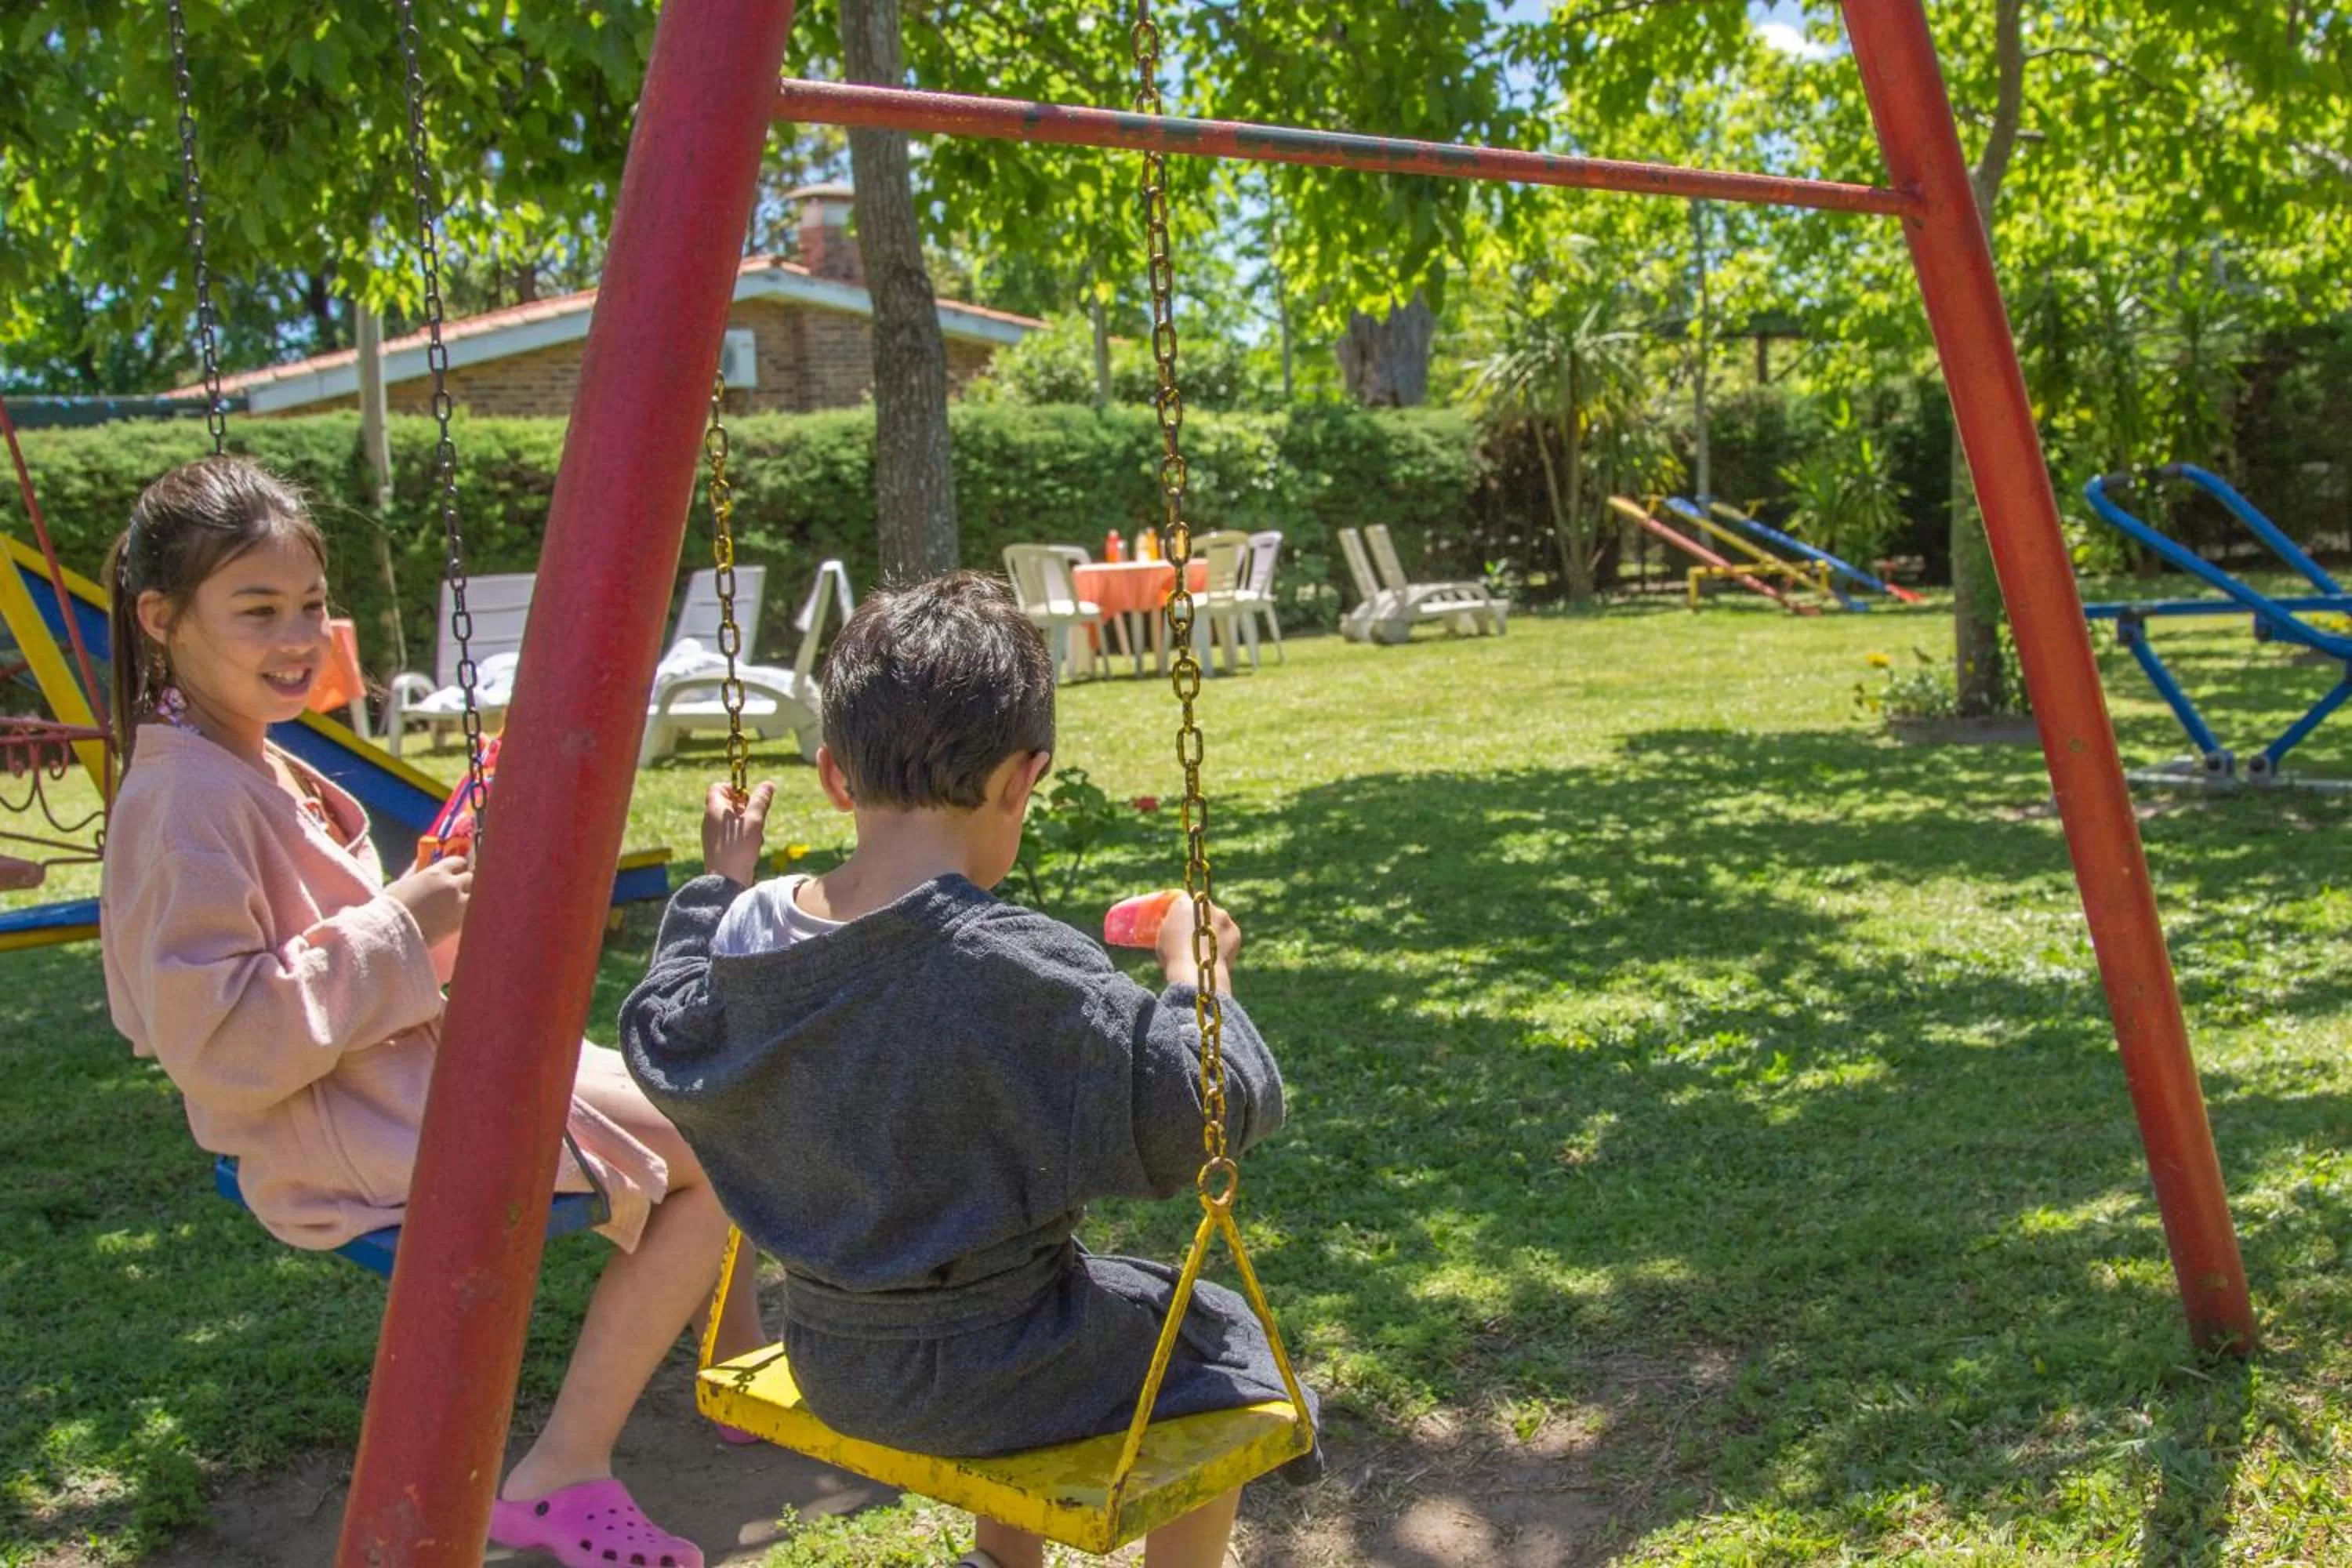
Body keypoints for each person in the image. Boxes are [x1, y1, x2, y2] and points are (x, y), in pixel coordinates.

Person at [97, 455, 762, 1568]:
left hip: (386, 1074)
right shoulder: (182, 799)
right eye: (257, 610)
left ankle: (727, 1366)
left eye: (310, 604)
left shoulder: (250, 759)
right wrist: (402, 923)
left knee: (711, 1105)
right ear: (163, 618)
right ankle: (563, 1472)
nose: (297, 636)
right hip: (336, 1128)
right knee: (713, 1157)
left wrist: (427, 903)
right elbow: (220, 1042)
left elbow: (328, 950)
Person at [621, 571, 1320, 1568]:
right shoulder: (1019, 965)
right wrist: (1195, 973)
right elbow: (1204, 1110)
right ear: (1021, 780)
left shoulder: (753, 930)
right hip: (1003, 1368)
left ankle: (1001, 1559)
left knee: (1104, 1288)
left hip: (831, 1355)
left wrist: (716, 885)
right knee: (1217, 1335)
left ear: (834, 776)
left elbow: (660, 1025)